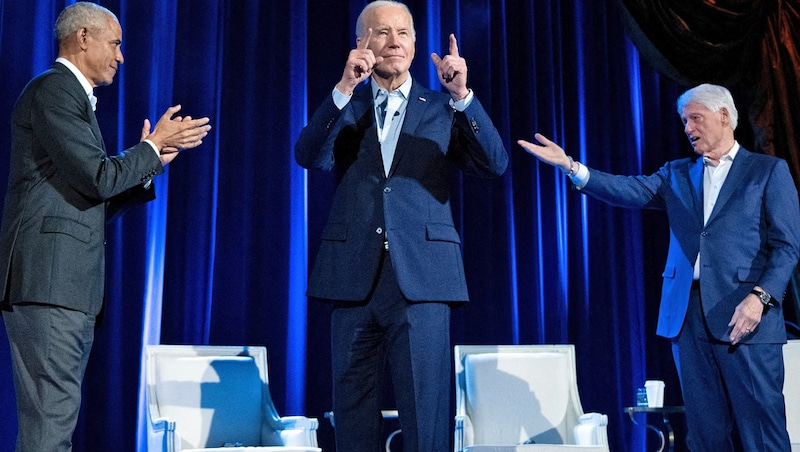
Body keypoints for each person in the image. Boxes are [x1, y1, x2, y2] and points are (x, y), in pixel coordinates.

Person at [519, 83, 800, 451]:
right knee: (705, 433)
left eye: (695, 118)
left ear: (724, 116)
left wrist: (759, 299)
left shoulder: (767, 172)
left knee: (761, 428)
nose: (687, 128)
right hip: (687, 315)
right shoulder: (677, 174)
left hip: (744, 314)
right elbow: (629, 190)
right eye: (684, 121)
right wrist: (573, 167)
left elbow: (786, 247)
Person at [295, 1, 508, 450]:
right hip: (353, 276)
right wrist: (342, 88)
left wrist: (462, 96)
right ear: (361, 43)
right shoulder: (346, 106)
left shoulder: (441, 107)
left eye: (404, 33)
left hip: (424, 278)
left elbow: (494, 163)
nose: (394, 42)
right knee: (352, 412)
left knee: (426, 414)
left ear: (414, 42)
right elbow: (308, 156)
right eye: (381, 33)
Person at [0, 2, 211, 450]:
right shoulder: (54, 90)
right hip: (49, 286)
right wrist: (150, 149)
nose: (120, 56)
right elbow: (98, 177)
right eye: (114, 44)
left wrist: (151, 164)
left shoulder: (71, 98)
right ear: (82, 39)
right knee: (49, 428)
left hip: (64, 288)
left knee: (54, 423)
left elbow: (89, 200)